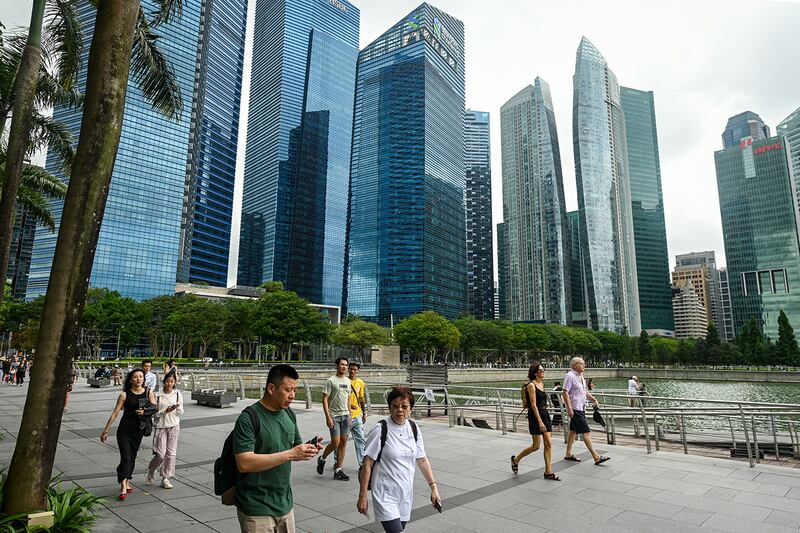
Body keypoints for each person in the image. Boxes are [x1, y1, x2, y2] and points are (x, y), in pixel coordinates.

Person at [233, 364, 323, 533]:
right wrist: (290, 454)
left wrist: (307, 449)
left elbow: (295, 447)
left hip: (285, 503)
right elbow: (244, 463)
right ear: (271, 388)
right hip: (256, 506)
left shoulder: (289, 413)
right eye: (288, 390)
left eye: (295, 390)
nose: (292, 395)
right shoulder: (248, 418)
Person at [357, 387, 441, 533]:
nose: (400, 410)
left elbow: (422, 460)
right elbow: (367, 463)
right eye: (395, 406)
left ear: (411, 409)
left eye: (404, 406)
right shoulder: (381, 429)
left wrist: (434, 488)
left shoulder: (413, 428)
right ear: (390, 407)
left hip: (405, 494)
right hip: (384, 494)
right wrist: (362, 496)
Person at [100, 368, 157, 500]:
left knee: (132, 456)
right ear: (131, 379)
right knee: (126, 457)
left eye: (141, 377)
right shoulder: (124, 394)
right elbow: (115, 412)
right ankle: (123, 485)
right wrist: (106, 430)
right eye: (136, 377)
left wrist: (144, 412)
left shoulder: (148, 392)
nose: (139, 379)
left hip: (138, 431)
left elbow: (154, 407)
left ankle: (126, 479)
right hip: (124, 430)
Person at [511, 363, 559, 480]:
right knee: (536, 446)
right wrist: (540, 422)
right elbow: (533, 405)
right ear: (535, 372)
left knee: (548, 443)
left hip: (545, 414)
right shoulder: (531, 386)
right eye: (541, 370)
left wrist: (546, 416)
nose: (543, 371)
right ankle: (516, 459)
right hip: (535, 416)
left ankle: (548, 471)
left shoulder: (541, 384)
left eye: (543, 370)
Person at [562, 357, 609, 466]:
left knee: (573, 431)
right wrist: (569, 408)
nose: (584, 365)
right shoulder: (570, 376)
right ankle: (596, 457)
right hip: (575, 409)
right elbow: (565, 393)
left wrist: (593, 399)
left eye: (584, 363)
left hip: (581, 408)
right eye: (582, 363)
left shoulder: (581, 377)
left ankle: (568, 453)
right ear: (574, 366)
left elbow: (584, 392)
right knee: (586, 432)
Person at [316, 357, 352, 480]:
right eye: (342, 364)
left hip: (346, 416)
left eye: (346, 365)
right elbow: (325, 399)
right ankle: (322, 458)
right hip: (334, 416)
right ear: (337, 365)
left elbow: (348, 398)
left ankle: (338, 470)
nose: (344, 367)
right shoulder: (331, 381)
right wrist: (328, 416)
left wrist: (350, 415)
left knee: (343, 443)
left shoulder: (348, 381)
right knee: (335, 443)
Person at [147, 373, 183, 489]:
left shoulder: (177, 394)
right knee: (160, 454)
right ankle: (152, 469)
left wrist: (177, 408)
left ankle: (165, 478)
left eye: (172, 382)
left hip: (174, 426)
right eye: (168, 381)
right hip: (161, 426)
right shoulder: (157, 395)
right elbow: (153, 414)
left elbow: (181, 412)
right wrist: (165, 411)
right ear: (164, 381)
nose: (170, 384)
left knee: (171, 454)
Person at [348, 362, 368, 468]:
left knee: (360, 440)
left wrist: (364, 413)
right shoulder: (344, 381)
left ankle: (361, 464)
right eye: (351, 369)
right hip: (346, 416)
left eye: (355, 369)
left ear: (358, 371)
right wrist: (349, 405)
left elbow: (361, 398)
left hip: (357, 416)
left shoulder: (360, 382)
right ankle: (337, 463)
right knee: (340, 441)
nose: (352, 371)